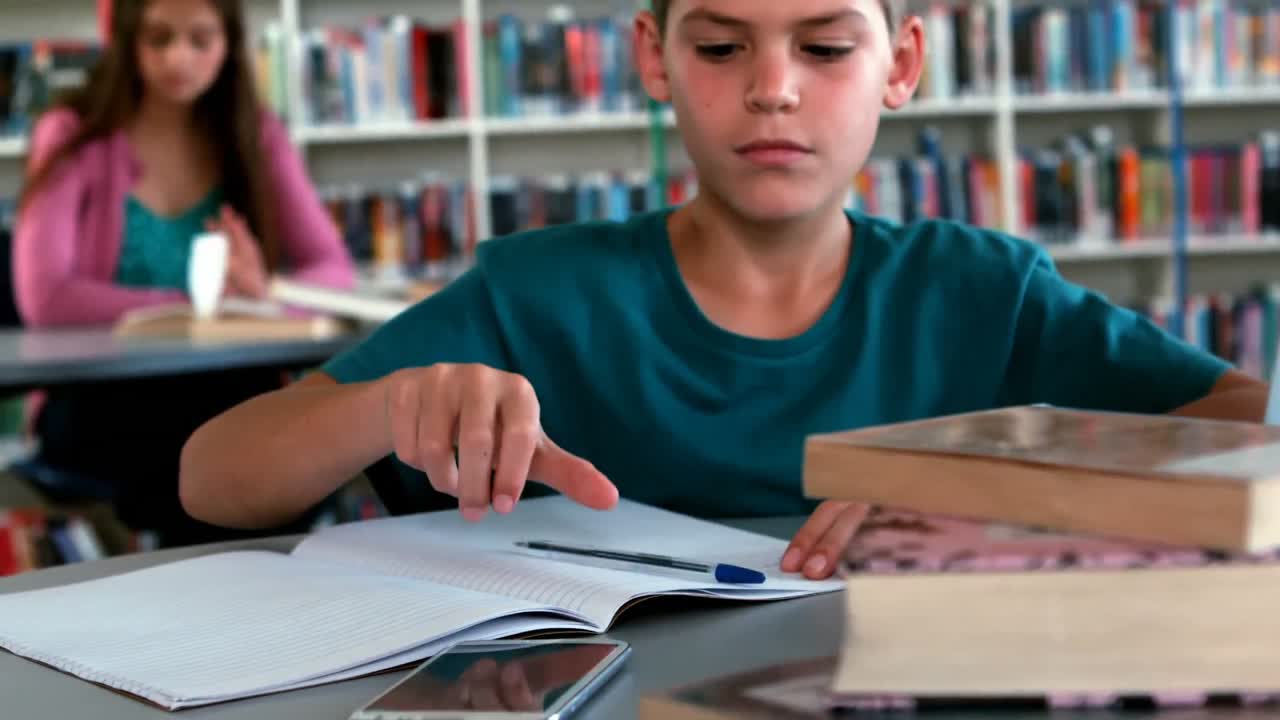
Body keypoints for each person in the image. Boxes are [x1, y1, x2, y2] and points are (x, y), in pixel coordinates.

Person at [179, 0, 1269, 577]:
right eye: (719, 44)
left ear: (899, 64)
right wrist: (384, 403)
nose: (771, 89)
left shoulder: (983, 290)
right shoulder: (538, 292)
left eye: (826, 46)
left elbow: (1243, 422)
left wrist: (1001, 474)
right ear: (652, 60)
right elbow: (212, 479)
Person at [13, 0, 356, 546]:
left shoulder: (256, 135)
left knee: (279, 441)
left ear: (228, 44)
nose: (179, 58)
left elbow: (334, 270)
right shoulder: (73, 134)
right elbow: (46, 296)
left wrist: (265, 296)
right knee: (219, 458)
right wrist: (195, 305)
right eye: (159, 39)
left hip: (229, 386)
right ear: (127, 41)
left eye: (201, 40)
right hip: (101, 395)